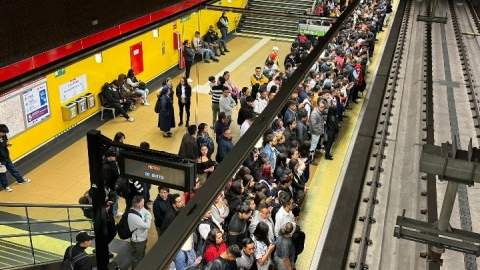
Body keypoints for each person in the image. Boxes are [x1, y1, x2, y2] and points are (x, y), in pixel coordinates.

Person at [0, 124, 31, 192]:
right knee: (2, 174)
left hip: (6, 156)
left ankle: (20, 180)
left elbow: (5, 141)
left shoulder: (4, 135)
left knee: (13, 169)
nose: (4, 134)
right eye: (3, 133)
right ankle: (6, 186)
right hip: (0, 160)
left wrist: (7, 144)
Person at [128, 195, 152, 270]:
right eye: (143, 203)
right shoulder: (133, 216)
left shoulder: (140, 209)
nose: (144, 204)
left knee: (141, 254)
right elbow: (148, 225)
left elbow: (148, 213)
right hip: (138, 241)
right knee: (136, 258)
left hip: (143, 237)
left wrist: (146, 219)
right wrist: (147, 218)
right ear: (140, 205)